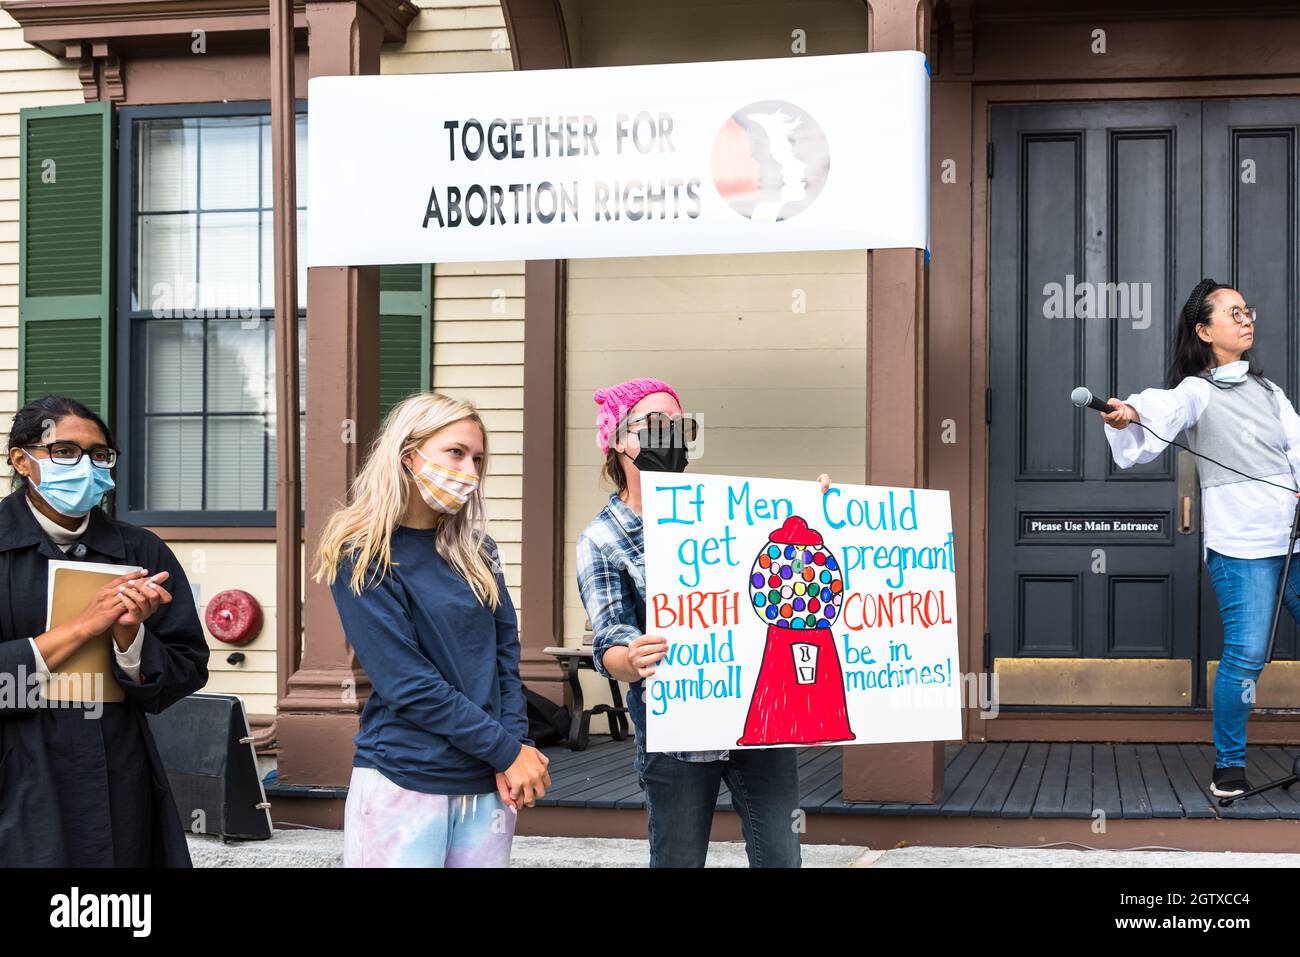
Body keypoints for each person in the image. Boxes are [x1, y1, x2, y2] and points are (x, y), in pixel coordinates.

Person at [575, 377, 833, 867]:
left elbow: (788, 564)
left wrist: (824, 512)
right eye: (652, 425)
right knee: (678, 856)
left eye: (679, 425)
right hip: (675, 730)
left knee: (782, 853)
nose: (668, 434)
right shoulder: (602, 539)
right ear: (618, 440)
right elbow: (609, 642)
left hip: (757, 716)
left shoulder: (728, 512)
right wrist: (630, 658)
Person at [313, 392, 550, 867]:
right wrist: (506, 751)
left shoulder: (478, 550)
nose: (470, 469)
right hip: (404, 781)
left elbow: (505, 656)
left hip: (487, 784)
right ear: (408, 456)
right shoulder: (361, 554)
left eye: (478, 458)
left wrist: (518, 749)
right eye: (455, 453)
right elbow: (407, 684)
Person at [1098, 278, 1300, 798]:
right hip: (1244, 549)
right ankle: (1229, 763)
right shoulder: (1197, 391)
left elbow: (1297, 449)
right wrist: (1130, 414)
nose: (1245, 318)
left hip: (1293, 542)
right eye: (1232, 313)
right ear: (1204, 331)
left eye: (1246, 310)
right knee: (1248, 656)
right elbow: (1156, 408)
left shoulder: (1270, 391)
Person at [0, 394, 208, 866]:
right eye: (65, 452)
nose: (85, 465)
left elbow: (185, 672)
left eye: (98, 455)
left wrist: (130, 640)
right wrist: (82, 627)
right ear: (22, 460)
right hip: (18, 762)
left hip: (115, 765)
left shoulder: (140, 550)